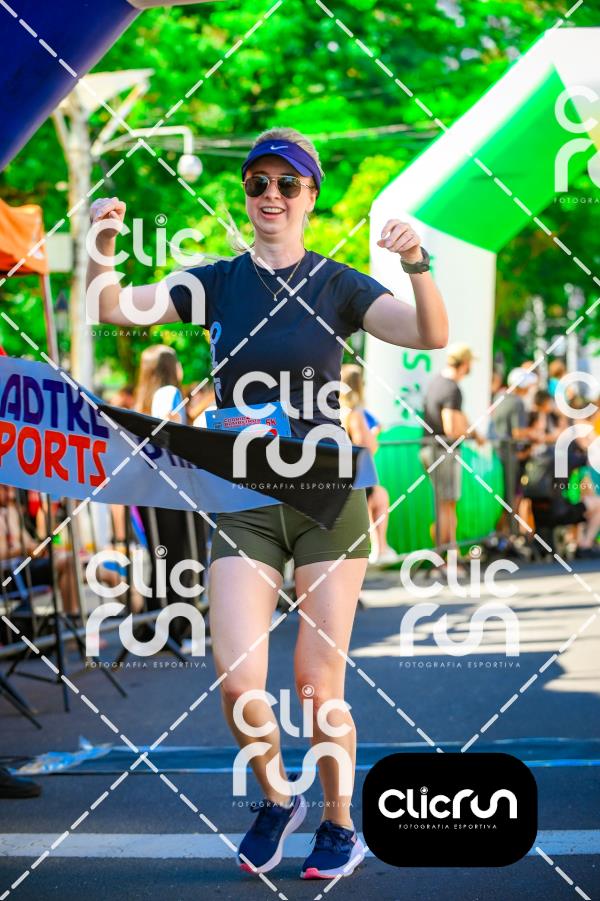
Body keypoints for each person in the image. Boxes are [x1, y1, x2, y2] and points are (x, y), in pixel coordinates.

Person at [87, 126, 448, 880]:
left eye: (288, 183)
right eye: (259, 183)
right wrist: (103, 240)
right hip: (243, 495)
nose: (272, 195)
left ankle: (341, 824)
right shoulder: (216, 282)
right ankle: (279, 798)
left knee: (317, 682)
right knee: (236, 676)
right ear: (247, 195)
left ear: (310, 196)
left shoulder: (339, 284)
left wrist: (416, 262)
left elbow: (429, 332)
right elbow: (111, 309)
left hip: (326, 497)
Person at [133, 346, 207, 635]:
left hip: (153, 491)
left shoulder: (145, 398)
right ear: (170, 367)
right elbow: (170, 431)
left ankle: (158, 624)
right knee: (184, 557)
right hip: (175, 491)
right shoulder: (168, 393)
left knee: (163, 558)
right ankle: (177, 625)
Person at [420, 344, 484, 570]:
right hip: (443, 451)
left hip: (430, 449)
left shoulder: (437, 382)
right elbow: (451, 427)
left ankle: (449, 556)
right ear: (465, 364)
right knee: (446, 507)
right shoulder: (452, 389)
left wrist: (473, 432)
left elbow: (457, 416)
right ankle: (447, 559)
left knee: (444, 506)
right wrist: (469, 434)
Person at [339, 364, 399, 565]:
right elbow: (365, 445)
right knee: (377, 501)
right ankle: (379, 549)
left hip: (345, 472)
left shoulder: (338, 410)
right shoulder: (355, 413)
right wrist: (373, 435)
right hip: (357, 473)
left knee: (378, 499)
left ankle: (379, 548)